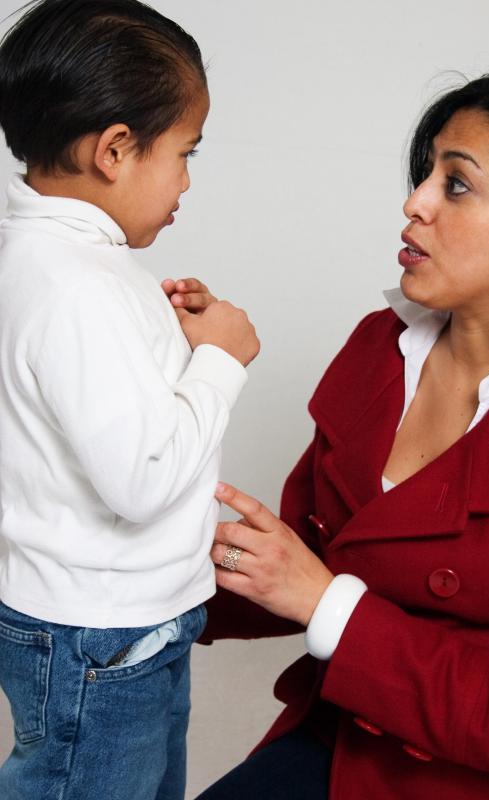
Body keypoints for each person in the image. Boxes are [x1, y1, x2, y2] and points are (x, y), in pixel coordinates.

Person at [189, 64, 489, 799]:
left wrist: (325, 604)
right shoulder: (378, 346)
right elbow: (302, 559)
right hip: (344, 739)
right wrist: (127, 575)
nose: (413, 204)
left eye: (455, 184)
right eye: (423, 175)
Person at [0, 2, 259, 799]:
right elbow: (141, 478)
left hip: (100, 626)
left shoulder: (51, 263)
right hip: (103, 637)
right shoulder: (81, 286)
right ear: (115, 149)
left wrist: (172, 341)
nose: (185, 180)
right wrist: (220, 359)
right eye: (184, 152)